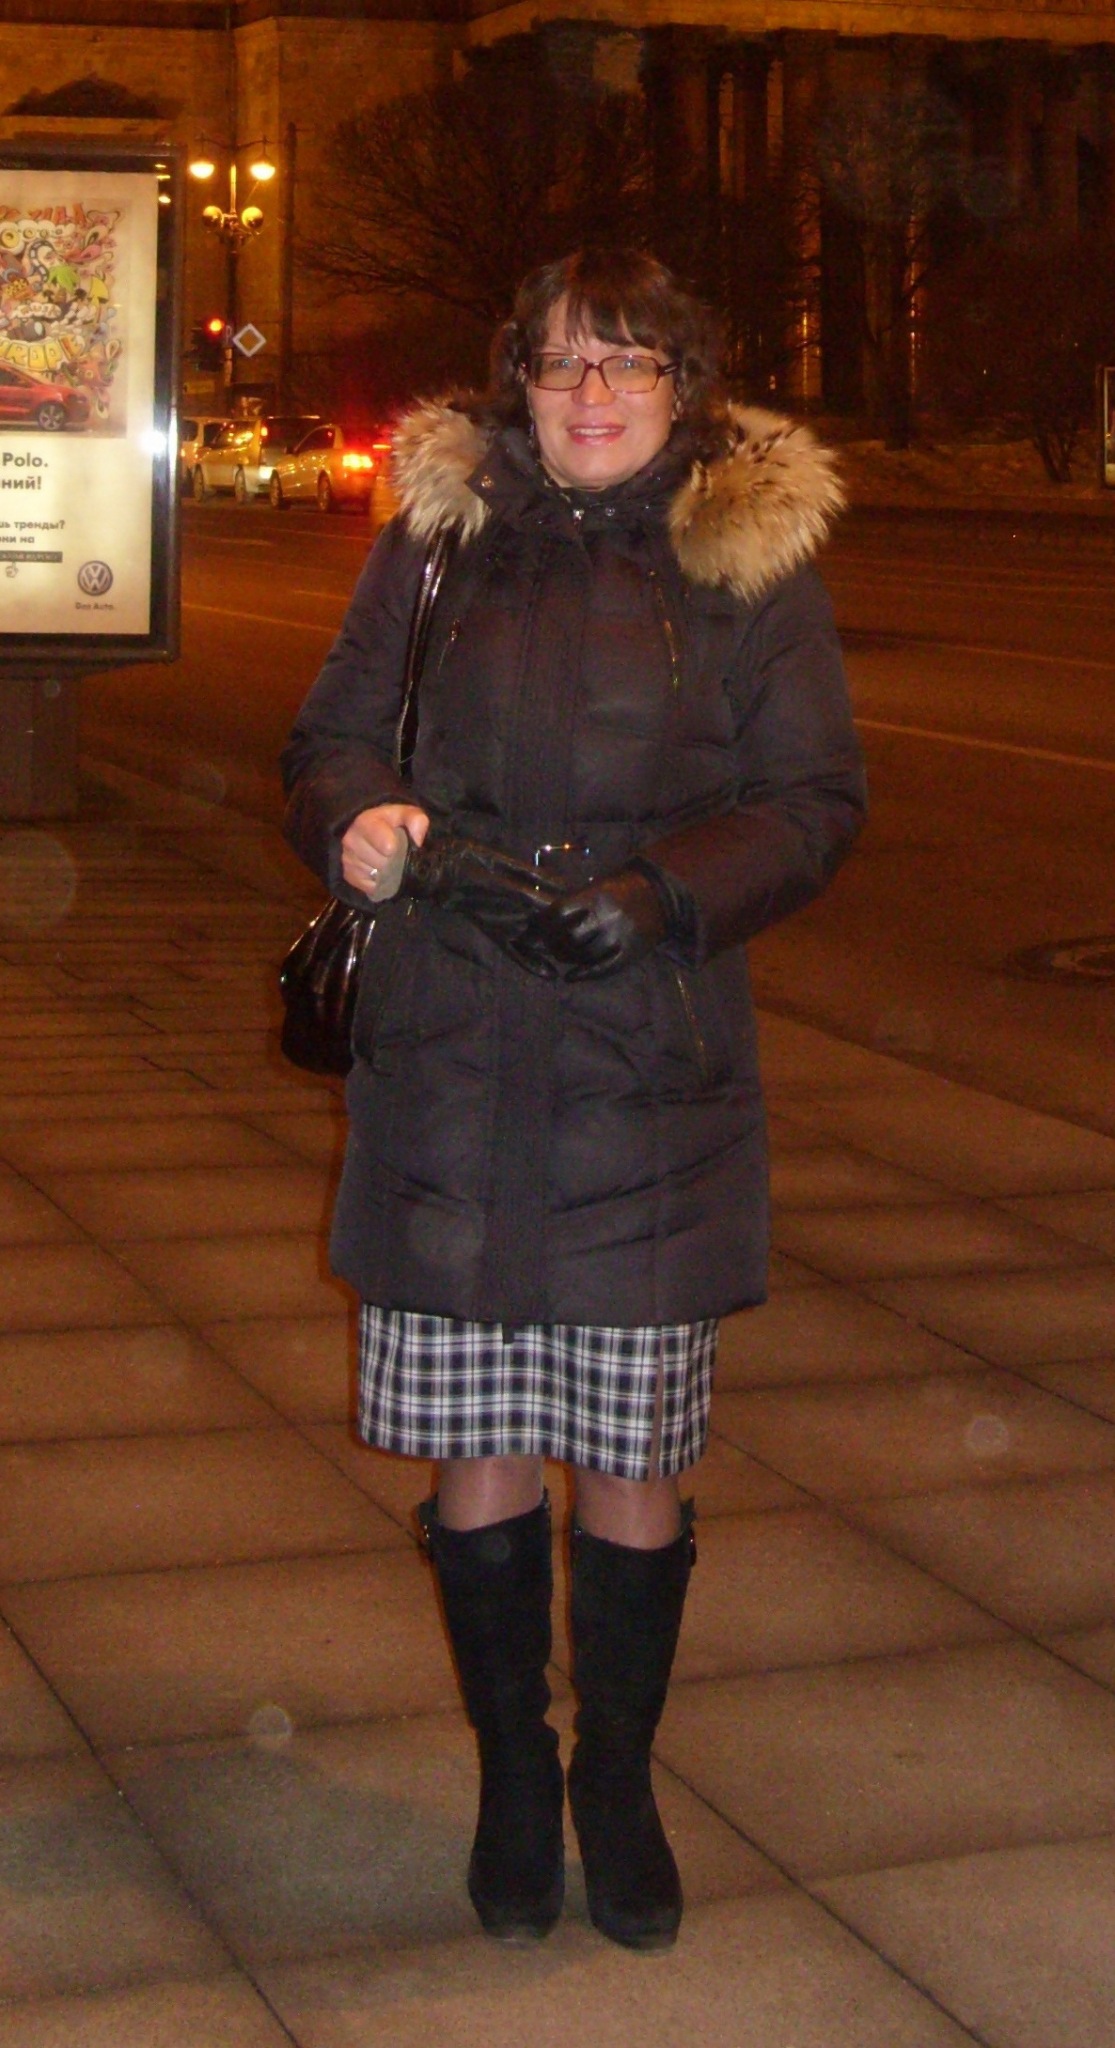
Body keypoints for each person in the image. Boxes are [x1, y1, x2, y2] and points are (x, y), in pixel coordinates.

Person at [281, 246, 866, 1954]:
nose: (593, 395)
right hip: (451, 1053)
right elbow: (329, 738)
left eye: (628, 363)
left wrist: (661, 896)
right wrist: (359, 819)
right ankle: (512, 1779)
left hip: (643, 1067)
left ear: (684, 385)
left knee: (630, 1454)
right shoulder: (437, 537)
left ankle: (615, 1775)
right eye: (560, 363)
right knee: (475, 1444)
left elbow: (813, 799)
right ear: (517, 383)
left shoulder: (745, 560)